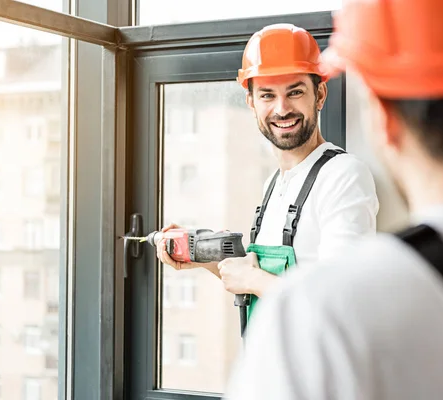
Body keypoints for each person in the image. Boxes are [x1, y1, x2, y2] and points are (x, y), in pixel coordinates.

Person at [224, 0, 443, 399]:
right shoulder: (278, 196)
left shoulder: (320, 316)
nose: (282, 107)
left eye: (294, 91)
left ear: (381, 117)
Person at [157, 23, 379, 319]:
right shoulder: (274, 184)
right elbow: (260, 282)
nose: (282, 109)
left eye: (295, 92)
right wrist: (200, 257)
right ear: (251, 102)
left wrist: (252, 280)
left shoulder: (343, 176)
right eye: (267, 95)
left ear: (320, 94)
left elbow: (341, 302)